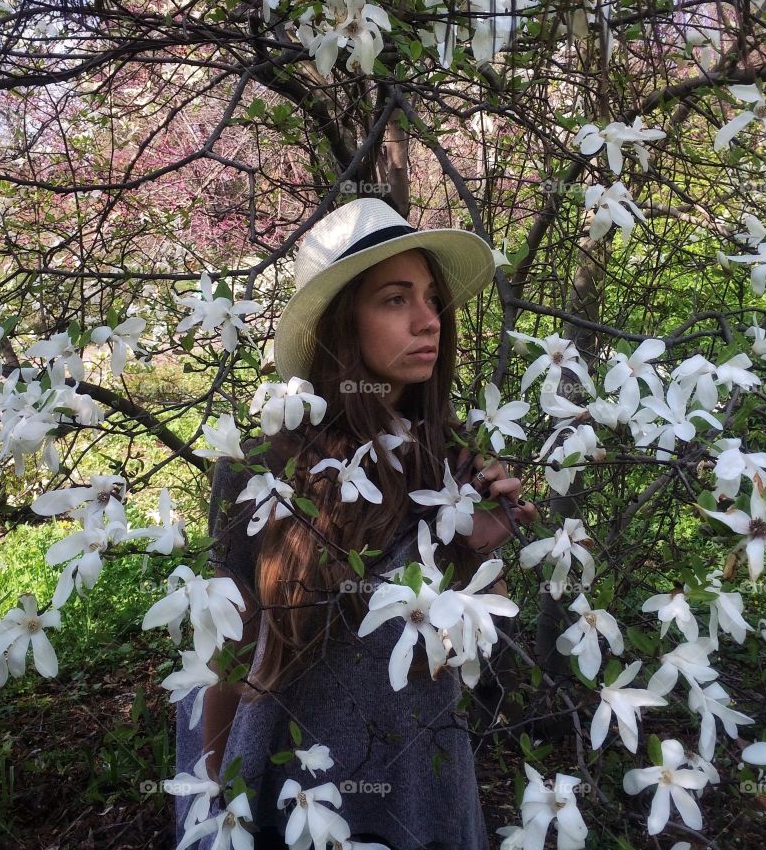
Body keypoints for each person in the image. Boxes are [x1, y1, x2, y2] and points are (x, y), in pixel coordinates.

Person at [173, 197, 537, 850]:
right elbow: (226, 658)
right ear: (343, 324)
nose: (429, 320)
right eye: (396, 300)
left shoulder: (450, 463)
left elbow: (468, 662)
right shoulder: (263, 471)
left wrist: (480, 557)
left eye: (431, 297)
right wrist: (211, 801)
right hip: (295, 786)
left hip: (418, 783)